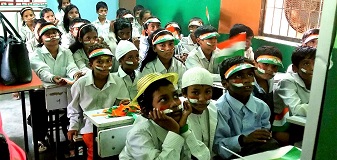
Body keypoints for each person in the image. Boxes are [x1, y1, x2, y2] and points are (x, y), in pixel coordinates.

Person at [119, 72, 210, 160]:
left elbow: (203, 156)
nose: (174, 104)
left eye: (175, 96)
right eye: (163, 99)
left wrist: (183, 130)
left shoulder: (179, 122)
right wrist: (174, 131)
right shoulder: (139, 134)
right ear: (147, 111)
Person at [67, 43, 129, 160]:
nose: (105, 65)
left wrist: (123, 105)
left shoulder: (118, 81)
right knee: (95, 149)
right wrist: (73, 126)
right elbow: (74, 109)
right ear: (91, 65)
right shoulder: (80, 84)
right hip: (89, 126)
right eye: (99, 62)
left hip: (112, 123)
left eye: (108, 61)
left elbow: (122, 102)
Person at [29, 22, 82, 152]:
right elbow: (41, 70)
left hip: (65, 87)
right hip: (44, 89)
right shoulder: (36, 53)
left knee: (75, 107)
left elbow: (71, 66)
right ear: (41, 38)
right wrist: (53, 78)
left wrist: (75, 74)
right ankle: (40, 138)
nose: (52, 36)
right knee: (38, 111)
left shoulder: (66, 51)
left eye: (55, 33)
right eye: (48, 34)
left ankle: (71, 138)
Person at [213, 56, 279, 159]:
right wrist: (243, 140)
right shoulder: (219, 109)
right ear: (225, 84)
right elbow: (217, 146)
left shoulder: (262, 107)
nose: (247, 80)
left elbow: (265, 133)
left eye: (250, 74)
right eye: (239, 76)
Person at [273, 46, 316, 145]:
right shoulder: (287, 81)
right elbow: (296, 109)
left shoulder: (318, 80)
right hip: (283, 127)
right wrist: (320, 109)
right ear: (295, 68)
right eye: (306, 63)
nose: (312, 68)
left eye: (315, 62)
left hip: (302, 124)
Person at [181, 67, 218, 158]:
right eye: (195, 93)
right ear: (184, 93)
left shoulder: (214, 108)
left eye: (207, 92)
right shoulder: (179, 114)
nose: (202, 99)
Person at [253, 46, 283, 124]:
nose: (270, 69)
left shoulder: (271, 81)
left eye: (274, 66)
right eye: (265, 64)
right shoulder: (247, 84)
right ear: (254, 63)